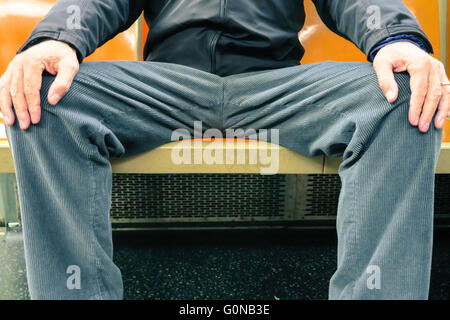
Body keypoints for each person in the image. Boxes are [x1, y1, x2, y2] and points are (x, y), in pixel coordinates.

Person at [0, 0, 449, 300]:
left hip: (276, 85)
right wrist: (56, 39)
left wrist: (395, 39)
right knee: (41, 90)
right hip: (165, 86)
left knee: (404, 92)